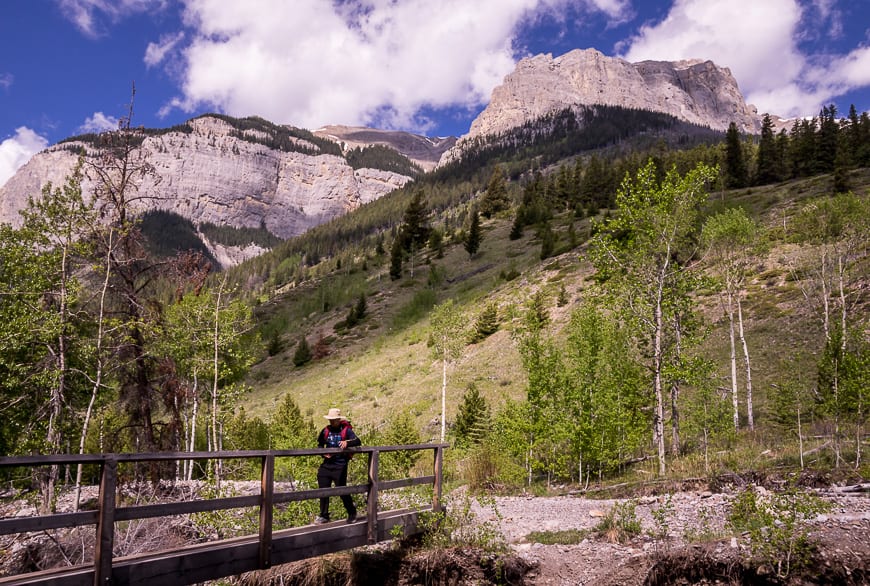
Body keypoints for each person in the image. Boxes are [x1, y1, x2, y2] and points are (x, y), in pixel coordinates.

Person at [315, 407, 361, 524]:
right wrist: (323, 454)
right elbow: (320, 445)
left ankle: (352, 512)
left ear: (339, 419)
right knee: (323, 489)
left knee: (341, 489)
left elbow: (357, 441)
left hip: (340, 465)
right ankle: (324, 515)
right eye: (330, 419)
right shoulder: (325, 431)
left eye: (334, 419)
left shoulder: (346, 430)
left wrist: (347, 442)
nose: (332, 421)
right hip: (327, 464)